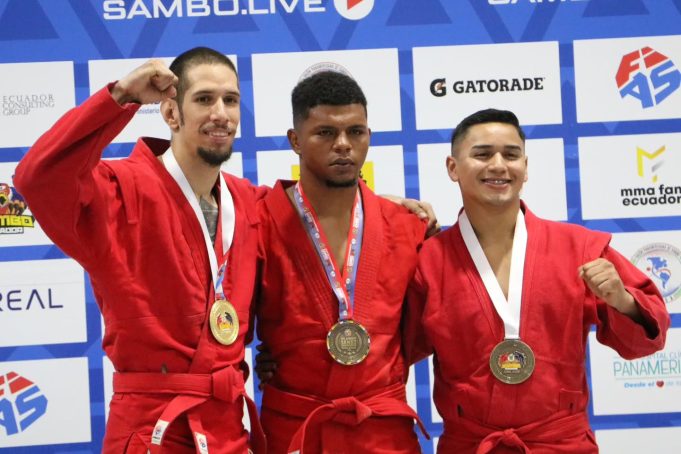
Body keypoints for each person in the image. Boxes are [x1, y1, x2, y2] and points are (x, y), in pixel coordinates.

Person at [14, 47, 267, 454]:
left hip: (227, 433)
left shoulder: (250, 203)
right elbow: (37, 177)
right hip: (151, 432)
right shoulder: (117, 190)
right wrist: (122, 96)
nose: (221, 113)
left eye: (231, 100)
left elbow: (315, 225)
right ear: (171, 113)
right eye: (204, 99)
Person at [405, 108, 670, 453]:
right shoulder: (428, 260)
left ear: (526, 167)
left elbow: (646, 341)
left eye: (511, 155)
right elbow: (388, 350)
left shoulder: (579, 248)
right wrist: (388, 210)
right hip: (471, 445)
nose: (498, 165)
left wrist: (623, 301)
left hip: (560, 445)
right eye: (482, 154)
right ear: (453, 168)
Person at [254, 70, 430, 453]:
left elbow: (431, 331)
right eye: (325, 133)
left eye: (355, 132)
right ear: (295, 140)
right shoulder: (258, 221)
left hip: (383, 432)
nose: (344, 145)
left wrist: (375, 366)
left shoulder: (408, 227)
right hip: (296, 430)